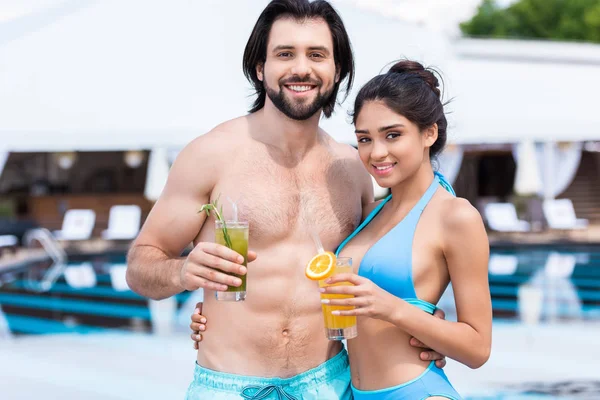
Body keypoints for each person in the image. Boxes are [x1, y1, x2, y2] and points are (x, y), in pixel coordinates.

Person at [127, 1, 447, 399]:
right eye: (284, 54)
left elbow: (383, 271)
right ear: (260, 69)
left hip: (329, 383)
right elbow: (140, 265)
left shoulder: (353, 169)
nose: (301, 68)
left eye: (317, 54)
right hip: (230, 386)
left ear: (337, 70)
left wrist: (428, 323)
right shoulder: (211, 155)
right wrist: (181, 273)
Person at [191, 60, 492, 399]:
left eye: (393, 135)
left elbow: (478, 348)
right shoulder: (373, 214)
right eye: (365, 139)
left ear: (429, 133)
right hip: (351, 391)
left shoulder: (455, 216)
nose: (377, 152)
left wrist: (393, 309)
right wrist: (218, 321)